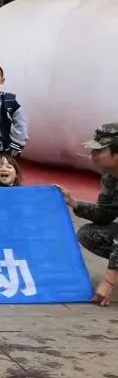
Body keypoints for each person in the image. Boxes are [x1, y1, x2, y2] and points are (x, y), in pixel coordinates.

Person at [62, 123, 118, 306]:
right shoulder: (110, 175)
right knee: (88, 234)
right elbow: (105, 213)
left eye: (99, 151)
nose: (92, 155)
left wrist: (109, 279)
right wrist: (74, 203)